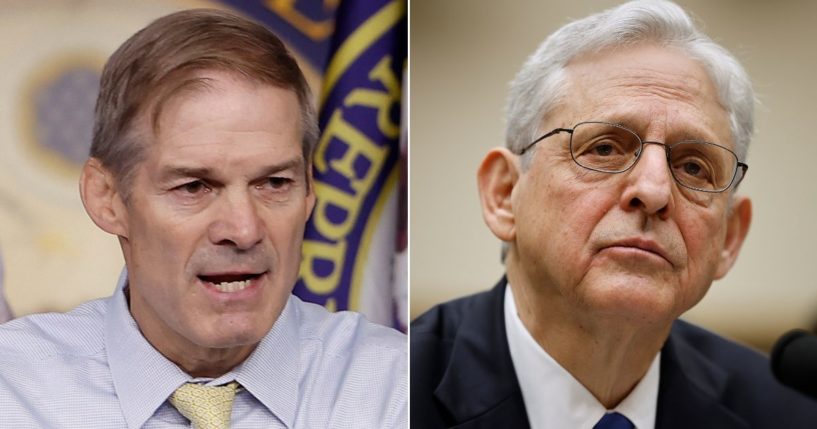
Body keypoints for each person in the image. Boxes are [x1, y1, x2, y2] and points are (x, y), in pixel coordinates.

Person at [411, 1, 817, 428]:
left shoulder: (788, 414)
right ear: (504, 193)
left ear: (729, 239)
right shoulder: (400, 390)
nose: (655, 190)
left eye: (693, 166)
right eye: (604, 148)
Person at [0, 9, 406, 428]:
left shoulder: (396, 388)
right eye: (194, 187)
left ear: (310, 190)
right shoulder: (12, 390)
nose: (244, 230)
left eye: (275, 183)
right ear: (107, 198)